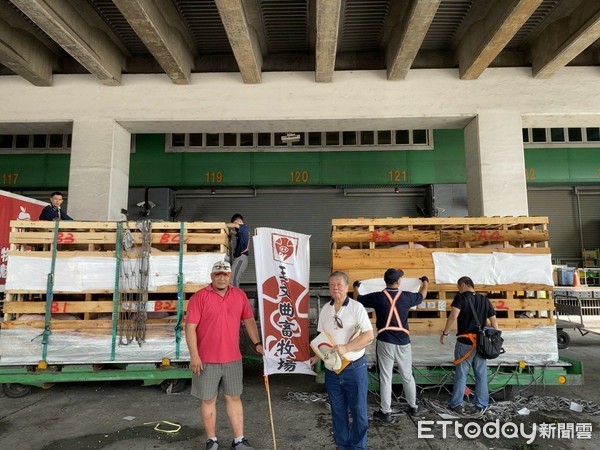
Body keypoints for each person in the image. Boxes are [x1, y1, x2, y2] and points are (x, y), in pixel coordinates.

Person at [185, 260, 263, 450]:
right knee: (208, 399)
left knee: (234, 398)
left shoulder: (239, 295)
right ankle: (211, 440)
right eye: (217, 274)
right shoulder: (199, 297)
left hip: (233, 359)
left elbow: (249, 320)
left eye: (225, 274)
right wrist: (194, 355)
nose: (222, 277)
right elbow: (190, 328)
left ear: (230, 276)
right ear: (212, 276)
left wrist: (257, 343)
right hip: (206, 360)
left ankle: (239, 440)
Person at [310, 271, 374, 450]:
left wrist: (346, 348)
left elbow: (369, 336)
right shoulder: (325, 310)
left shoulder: (356, 308)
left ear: (347, 287)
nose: (335, 288)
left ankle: (359, 447)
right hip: (333, 369)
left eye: (339, 284)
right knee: (338, 411)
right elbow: (322, 338)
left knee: (359, 411)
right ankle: (343, 445)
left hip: (354, 367)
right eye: (331, 285)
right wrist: (317, 356)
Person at [353, 269, 428, 421]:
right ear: (398, 282)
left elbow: (358, 299)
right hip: (403, 342)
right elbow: (422, 295)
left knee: (386, 377)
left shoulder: (378, 297)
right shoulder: (407, 296)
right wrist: (425, 282)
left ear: (385, 281)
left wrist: (355, 286)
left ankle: (385, 411)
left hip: (385, 340)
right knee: (407, 375)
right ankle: (413, 406)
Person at [440, 276, 499, 414]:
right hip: (481, 344)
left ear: (464, 284)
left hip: (464, 343)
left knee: (461, 374)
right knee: (481, 375)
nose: (458, 290)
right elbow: (494, 322)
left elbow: (453, 317)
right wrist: (494, 341)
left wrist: (445, 333)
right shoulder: (484, 300)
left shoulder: (460, 298)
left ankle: (456, 404)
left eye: (459, 287)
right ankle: (481, 405)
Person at [227, 214, 250, 287]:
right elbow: (235, 233)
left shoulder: (243, 228)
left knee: (233, 278)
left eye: (235, 223)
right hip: (240, 258)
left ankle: (234, 297)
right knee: (233, 278)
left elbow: (235, 225)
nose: (235, 228)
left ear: (239, 221)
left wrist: (222, 226)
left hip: (241, 258)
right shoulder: (241, 233)